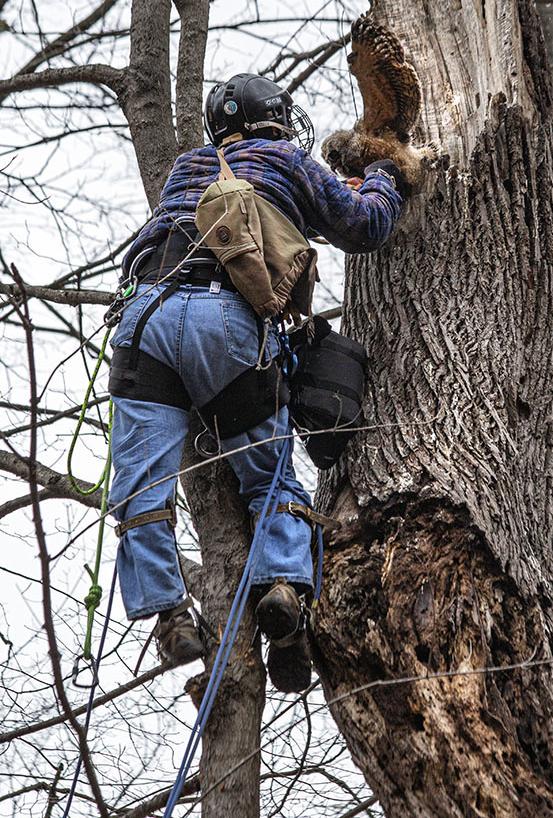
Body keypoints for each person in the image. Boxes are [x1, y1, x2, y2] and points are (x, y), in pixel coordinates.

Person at [108, 73, 403, 692]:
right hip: (227, 322)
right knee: (269, 476)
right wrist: (385, 173)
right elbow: (365, 225)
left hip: (147, 319)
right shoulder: (285, 159)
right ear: (276, 118)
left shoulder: (187, 168)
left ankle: (168, 618)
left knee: (141, 486)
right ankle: (282, 590)